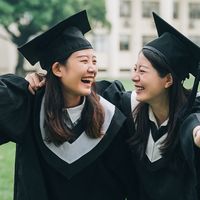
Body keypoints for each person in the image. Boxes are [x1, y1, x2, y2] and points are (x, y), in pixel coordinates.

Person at [25, 12, 200, 199]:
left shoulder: (191, 115)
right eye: (134, 69)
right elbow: (86, 88)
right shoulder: (128, 106)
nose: (134, 77)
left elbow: (192, 124)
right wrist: (47, 80)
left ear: (168, 80)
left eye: (142, 71)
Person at [0, 10, 138, 200]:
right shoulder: (30, 105)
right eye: (84, 61)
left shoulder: (110, 104)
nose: (92, 68)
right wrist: (23, 84)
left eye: (94, 61)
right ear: (57, 69)